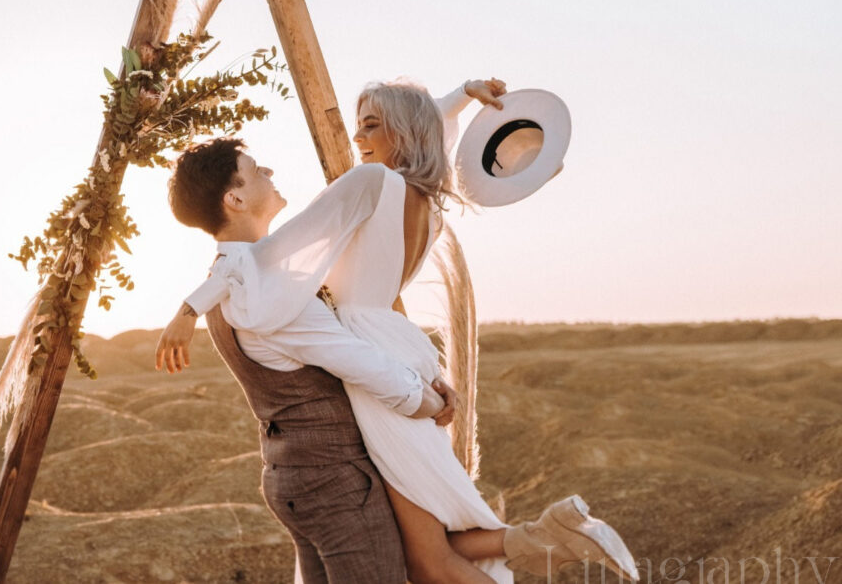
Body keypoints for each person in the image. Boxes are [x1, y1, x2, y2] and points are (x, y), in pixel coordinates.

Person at [158, 78, 639, 584]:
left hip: (381, 370)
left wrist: (190, 308)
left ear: (403, 130)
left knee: (428, 559)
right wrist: (457, 99)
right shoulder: (426, 202)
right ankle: (551, 533)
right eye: (358, 124)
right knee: (427, 547)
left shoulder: (369, 184)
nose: (357, 137)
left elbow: (257, 259)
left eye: (369, 126)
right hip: (401, 345)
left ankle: (552, 533)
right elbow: (420, 130)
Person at [160, 137, 459, 583]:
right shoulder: (272, 295)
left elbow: (235, 270)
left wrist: (187, 309)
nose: (270, 174)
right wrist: (430, 405)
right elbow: (361, 362)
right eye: (256, 168)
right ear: (235, 198)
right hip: (334, 481)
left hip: (289, 475)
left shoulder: (231, 279)